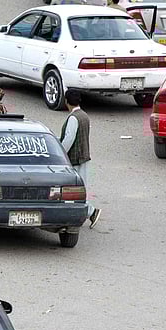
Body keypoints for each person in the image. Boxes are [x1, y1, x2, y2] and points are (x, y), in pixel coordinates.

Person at [59, 89, 100, 227]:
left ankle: (91, 212)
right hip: (84, 157)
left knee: (74, 190)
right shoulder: (84, 115)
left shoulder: (73, 118)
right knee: (81, 188)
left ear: (66, 101)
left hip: (75, 159)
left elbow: (69, 139)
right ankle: (88, 212)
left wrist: (60, 154)